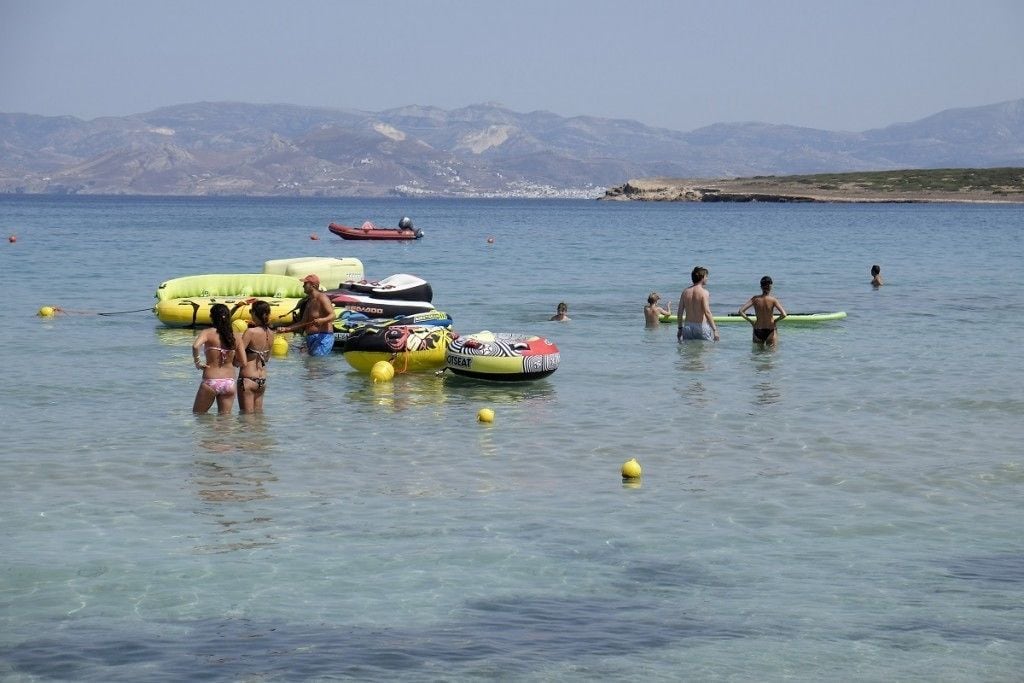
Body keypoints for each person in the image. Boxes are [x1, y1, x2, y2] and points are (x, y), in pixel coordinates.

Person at [192, 303, 247, 414]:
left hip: (211, 381)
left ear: (212, 317)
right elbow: (243, 362)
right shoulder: (236, 336)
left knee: (198, 415)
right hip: (229, 382)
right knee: (225, 421)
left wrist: (197, 362)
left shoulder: (207, 333)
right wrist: (232, 362)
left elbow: (195, 346)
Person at [278, 274, 336, 356]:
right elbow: (303, 322)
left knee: (316, 365)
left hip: (322, 337)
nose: (303, 286)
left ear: (313, 285)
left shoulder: (322, 298)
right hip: (310, 337)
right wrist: (286, 329)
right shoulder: (309, 301)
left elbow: (333, 315)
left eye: (305, 284)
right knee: (310, 366)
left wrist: (322, 320)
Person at [236, 300, 274, 413]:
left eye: (251, 311)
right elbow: (266, 358)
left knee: (246, 419)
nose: (250, 313)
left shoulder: (250, 332)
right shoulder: (271, 334)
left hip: (247, 379)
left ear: (255, 314)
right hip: (262, 380)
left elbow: (238, 358)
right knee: (258, 419)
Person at [738, 275, 788, 346]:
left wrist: (751, 322)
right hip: (770, 329)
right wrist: (775, 321)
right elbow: (784, 314)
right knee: (770, 356)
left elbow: (741, 311)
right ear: (770, 286)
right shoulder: (773, 300)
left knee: (757, 355)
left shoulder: (755, 299)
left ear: (761, 287)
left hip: (758, 329)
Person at [677, 266, 719, 342]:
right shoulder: (704, 292)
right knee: (704, 352)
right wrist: (715, 330)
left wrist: (680, 328)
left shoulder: (685, 292)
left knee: (689, 352)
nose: (707, 278)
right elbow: (707, 312)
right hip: (701, 327)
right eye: (706, 276)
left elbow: (680, 312)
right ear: (702, 278)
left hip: (688, 327)